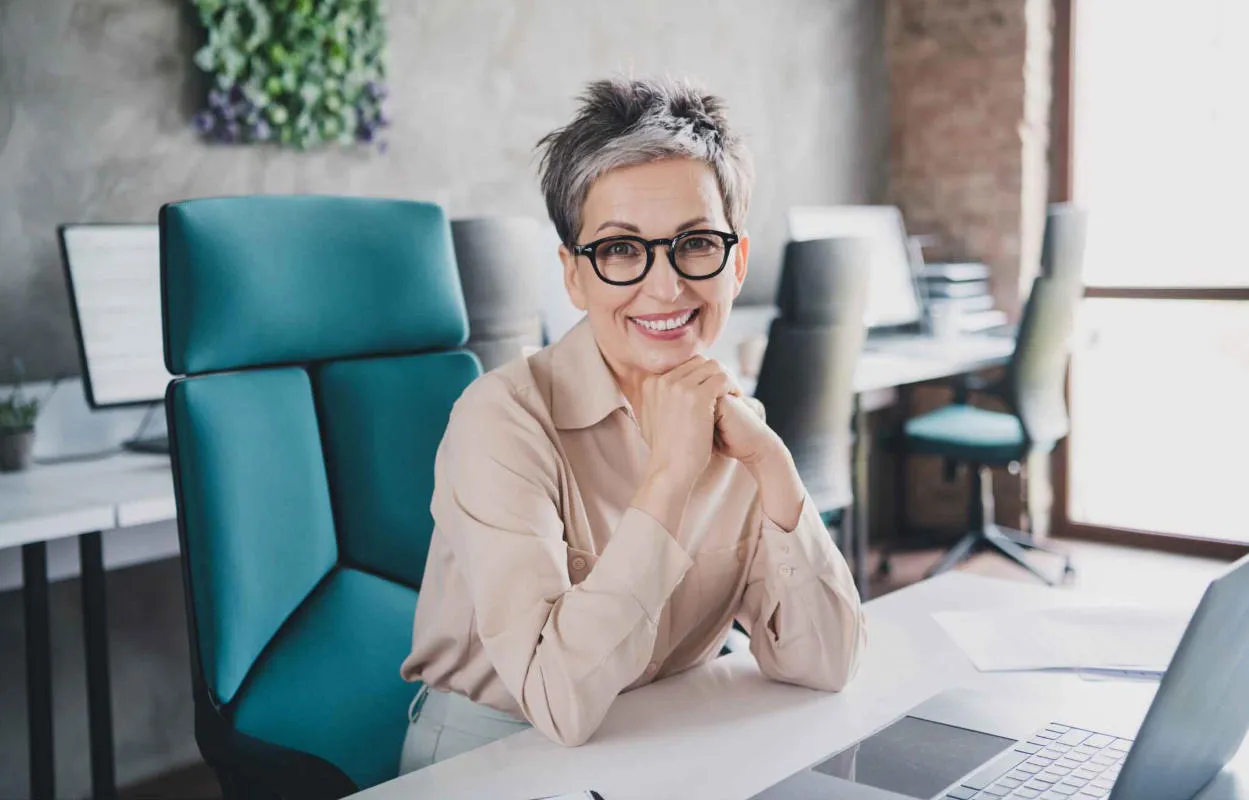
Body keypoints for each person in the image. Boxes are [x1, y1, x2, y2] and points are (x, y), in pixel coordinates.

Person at [398, 76, 865, 773]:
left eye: (696, 243)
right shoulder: (500, 420)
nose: (665, 285)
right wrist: (671, 476)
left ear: (735, 262)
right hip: (495, 751)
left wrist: (772, 465)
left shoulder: (738, 422)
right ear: (573, 277)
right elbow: (556, 700)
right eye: (619, 250)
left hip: (670, 729)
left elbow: (825, 662)